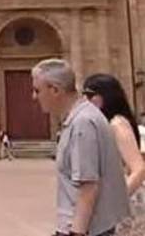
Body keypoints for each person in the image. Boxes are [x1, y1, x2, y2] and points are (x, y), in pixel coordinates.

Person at [31, 59, 129, 236]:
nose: (34, 96)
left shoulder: (82, 123)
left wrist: (77, 232)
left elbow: (88, 187)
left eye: (38, 90)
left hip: (85, 229)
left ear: (55, 89)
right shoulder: (84, 117)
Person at [83, 74, 145, 236]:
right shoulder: (104, 124)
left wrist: (114, 202)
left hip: (125, 201)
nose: (85, 100)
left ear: (104, 96)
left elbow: (138, 169)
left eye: (89, 95)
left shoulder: (117, 124)